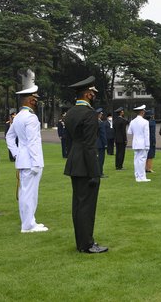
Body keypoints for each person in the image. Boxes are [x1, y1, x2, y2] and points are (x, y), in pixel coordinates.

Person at [64, 76, 107, 253]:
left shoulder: (71, 112)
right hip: (85, 163)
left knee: (78, 205)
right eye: (93, 93)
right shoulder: (89, 114)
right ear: (88, 94)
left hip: (75, 161)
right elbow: (90, 146)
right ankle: (87, 244)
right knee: (87, 206)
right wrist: (95, 172)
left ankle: (82, 242)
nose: (94, 95)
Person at [6, 85, 48, 233]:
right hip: (31, 161)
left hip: (23, 160)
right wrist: (36, 162)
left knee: (25, 193)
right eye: (35, 99)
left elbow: (9, 137)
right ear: (30, 100)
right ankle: (28, 225)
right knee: (30, 194)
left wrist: (17, 153)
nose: (36, 102)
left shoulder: (18, 117)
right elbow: (33, 142)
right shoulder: (30, 117)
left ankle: (29, 221)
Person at [128, 104, 150, 182]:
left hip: (135, 143)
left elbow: (129, 132)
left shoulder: (132, 121)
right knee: (142, 160)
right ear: (142, 112)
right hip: (143, 143)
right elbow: (146, 135)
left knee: (136, 160)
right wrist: (147, 145)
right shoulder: (145, 122)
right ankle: (142, 177)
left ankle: (137, 176)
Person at [96, 108, 107, 178]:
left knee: (96, 159)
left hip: (94, 143)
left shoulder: (93, 122)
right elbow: (103, 134)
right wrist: (105, 143)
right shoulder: (100, 123)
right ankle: (100, 173)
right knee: (101, 159)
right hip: (100, 144)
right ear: (99, 115)